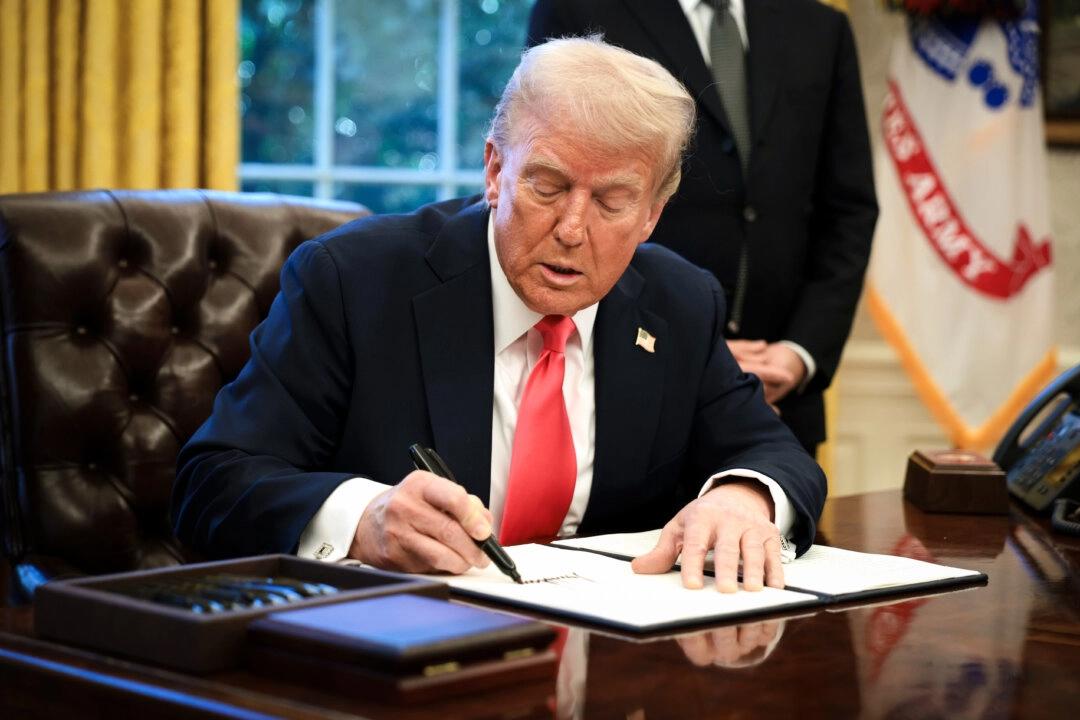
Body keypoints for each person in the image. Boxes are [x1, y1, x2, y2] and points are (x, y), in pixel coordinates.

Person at [171, 36, 826, 593]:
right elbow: (214, 483)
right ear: (494, 171)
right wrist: (362, 519)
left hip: (608, 669)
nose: (572, 229)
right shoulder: (353, 283)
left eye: (612, 202)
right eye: (547, 186)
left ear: (652, 213)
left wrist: (744, 496)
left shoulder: (680, 303)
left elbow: (768, 449)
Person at [527, 0, 878, 456]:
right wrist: (698, 354)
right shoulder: (578, 11)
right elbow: (562, 174)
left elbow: (849, 210)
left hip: (781, 396)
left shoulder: (821, 27)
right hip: (635, 381)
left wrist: (799, 352)